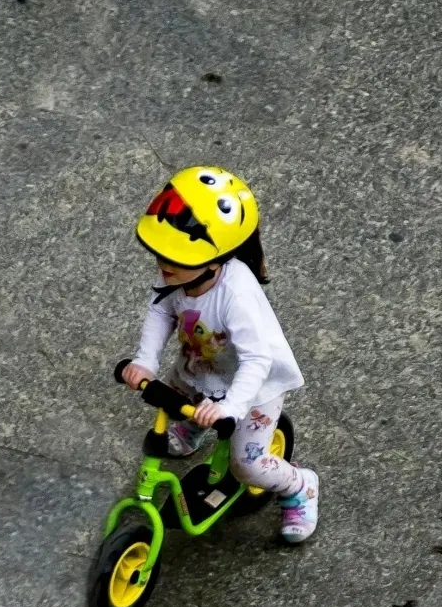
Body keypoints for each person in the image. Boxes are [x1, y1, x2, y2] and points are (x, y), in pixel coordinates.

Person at [119, 167, 319, 543]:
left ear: (215, 259)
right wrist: (144, 360)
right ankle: (194, 427)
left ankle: (298, 486)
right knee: (179, 393)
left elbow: (257, 361)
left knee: (246, 465)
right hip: (203, 366)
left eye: (176, 256)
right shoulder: (177, 276)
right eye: (161, 253)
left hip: (253, 386)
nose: (164, 265)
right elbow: (161, 311)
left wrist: (231, 406)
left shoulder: (235, 294)